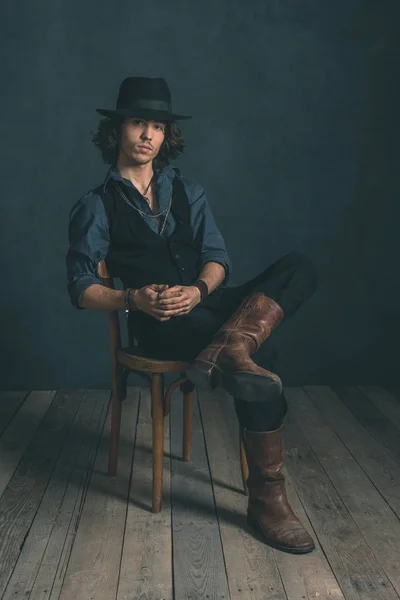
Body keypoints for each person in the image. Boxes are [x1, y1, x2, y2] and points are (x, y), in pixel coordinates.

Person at [66, 76, 319, 555]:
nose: (147, 134)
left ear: (166, 136)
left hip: (205, 303)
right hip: (158, 320)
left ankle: (233, 350)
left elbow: (218, 259)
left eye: (157, 126)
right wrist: (131, 299)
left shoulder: (188, 190)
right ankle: (268, 500)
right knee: (268, 357)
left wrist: (200, 288)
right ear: (118, 130)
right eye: (138, 122)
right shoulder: (95, 205)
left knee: (299, 269)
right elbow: (81, 288)